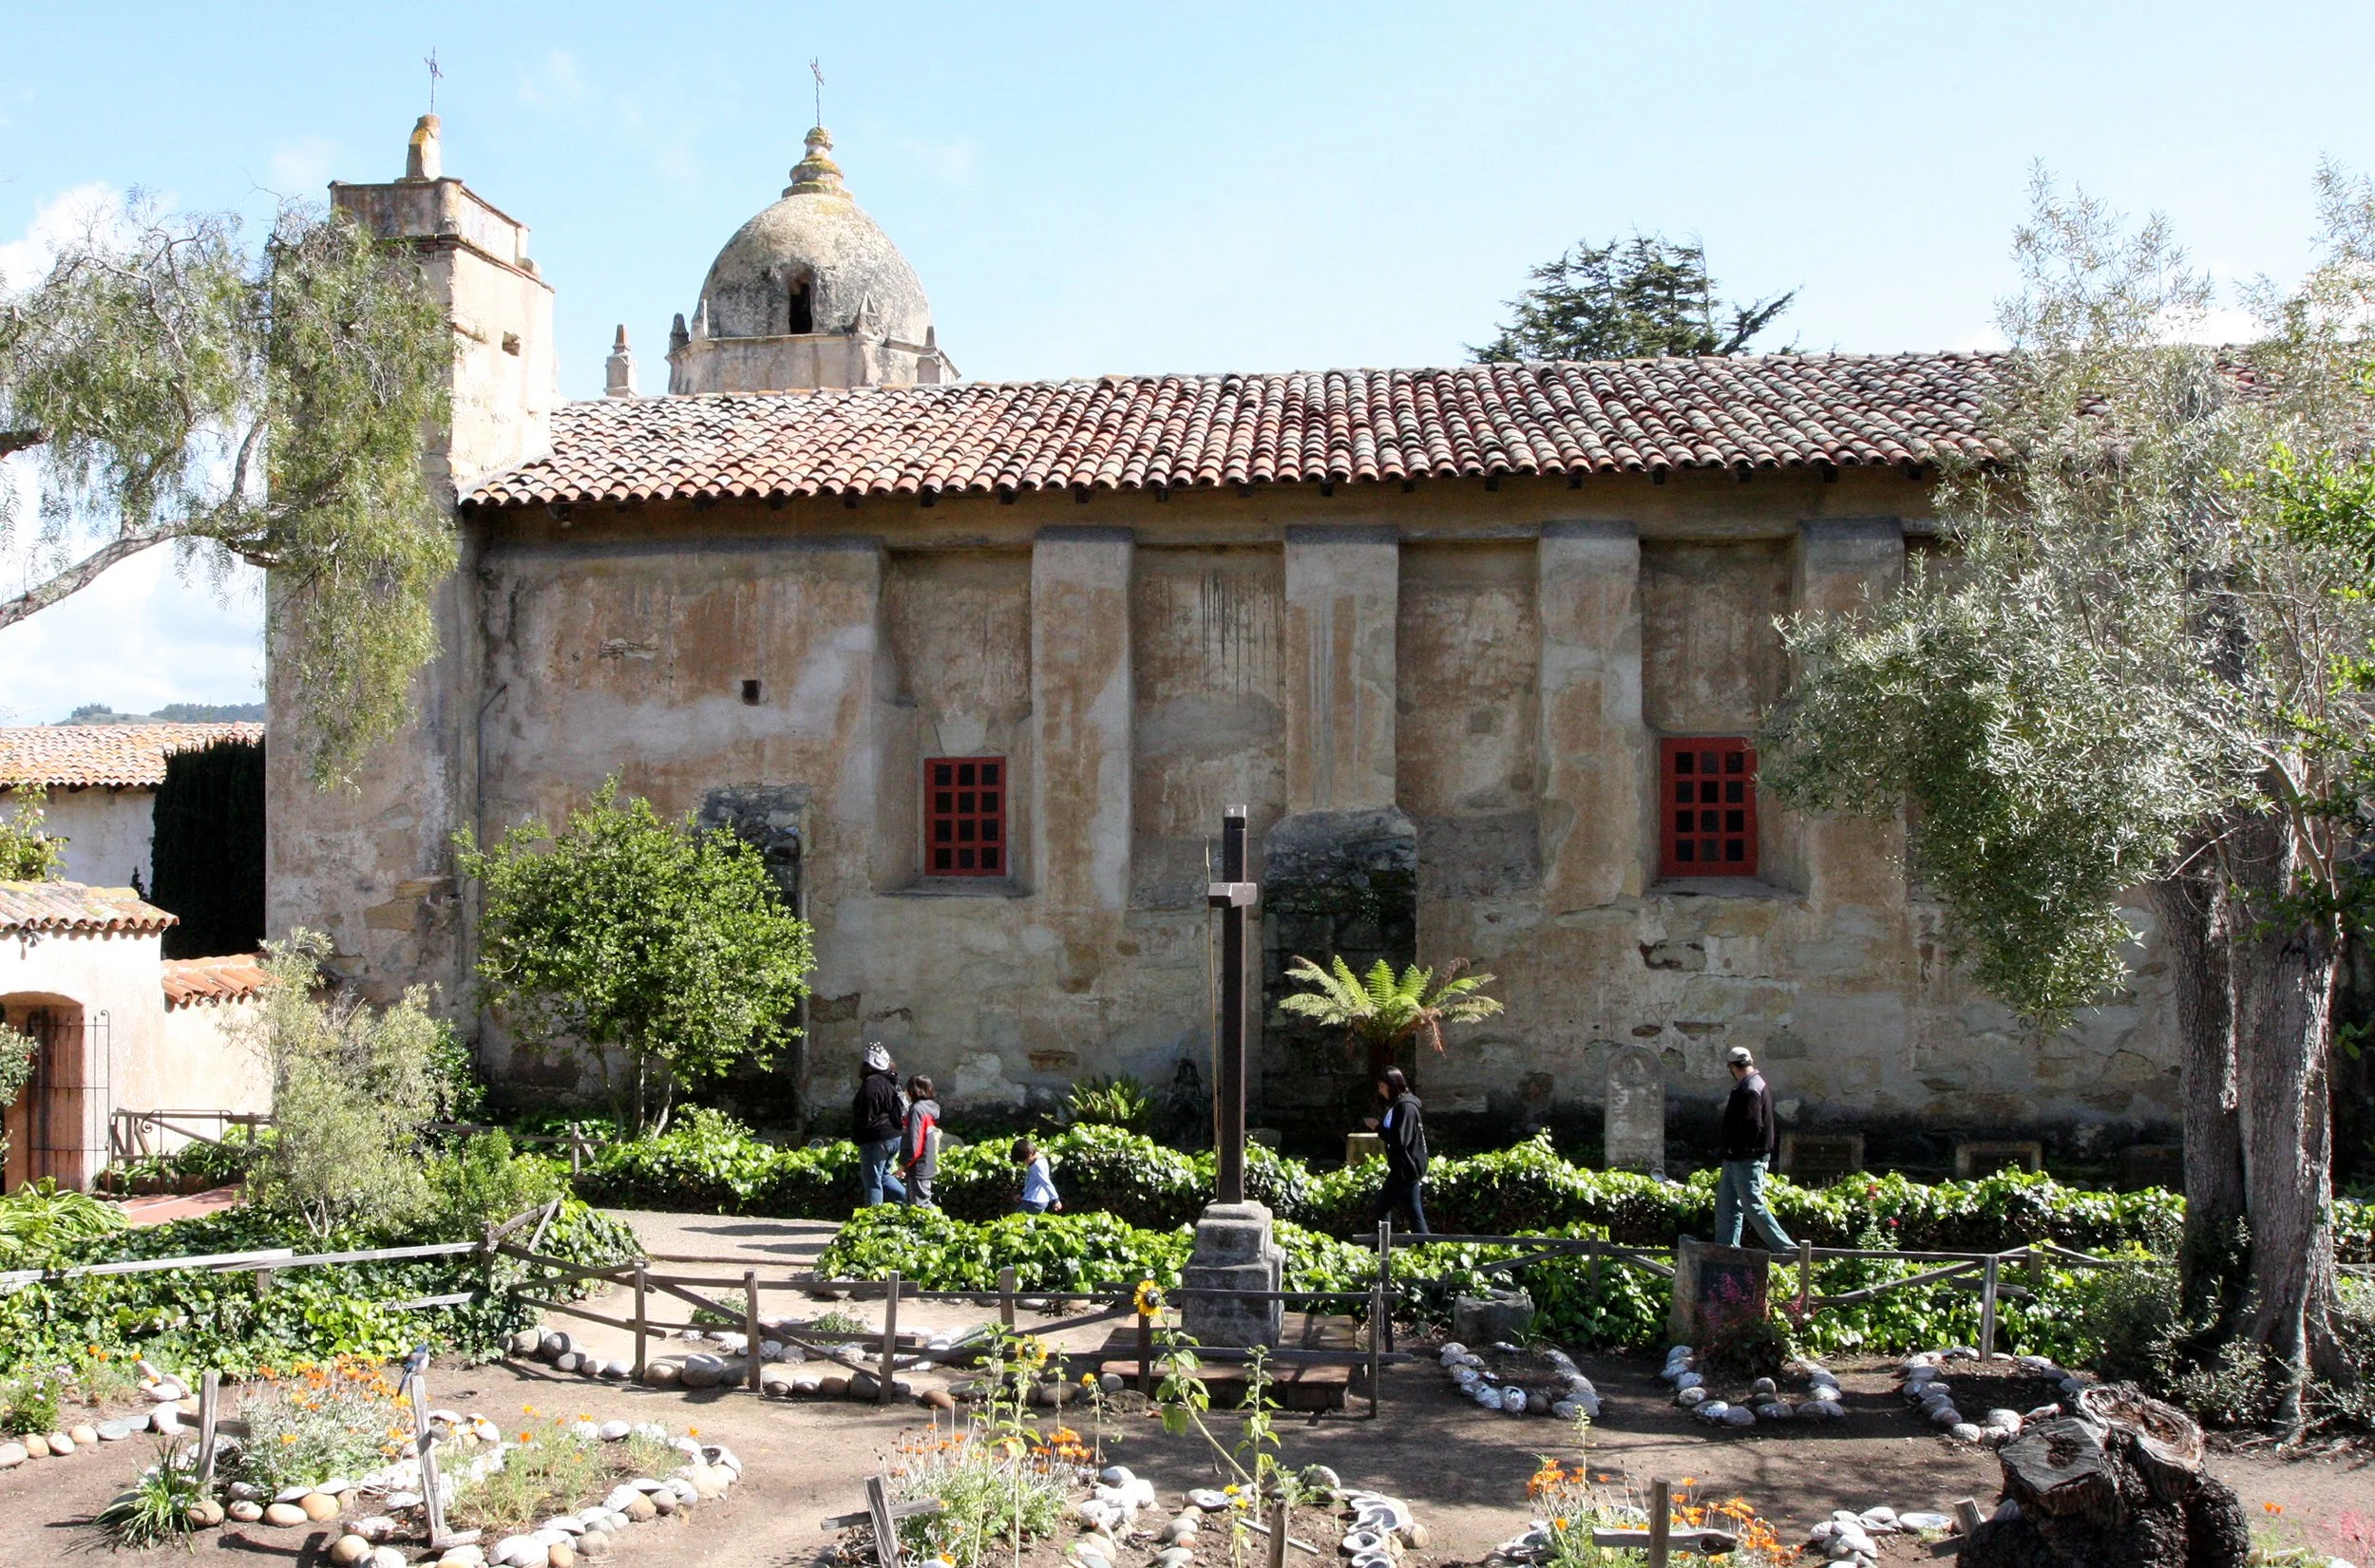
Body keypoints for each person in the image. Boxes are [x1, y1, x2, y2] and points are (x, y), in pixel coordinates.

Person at [1714, 1045, 1793, 1252]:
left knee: (1752, 1206)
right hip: (1738, 1158)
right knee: (1727, 1206)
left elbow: (1752, 1126)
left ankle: (1788, 1249)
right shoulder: (1755, 1084)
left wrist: (1734, 1149)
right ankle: (1726, 1250)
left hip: (1745, 1158)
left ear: (1732, 1067)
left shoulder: (1748, 1089)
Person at [1365, 1067, 1430, 1235]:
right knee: (1413, 1212)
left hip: (1406, 1167)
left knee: (1382, 1206)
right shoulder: (1399, 1105)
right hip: (1405, 1166)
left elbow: (1401, 1139)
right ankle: (1426, 1247)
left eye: (1382, 1087)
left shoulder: (1406, 1107)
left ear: (1392, 1085)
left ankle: (1381, 1248)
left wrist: (1378, 1128)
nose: (1380, 1091)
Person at [852, 1044, 907, 1206]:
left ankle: (872, 1220)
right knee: (884, 1176)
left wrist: (858, 1136)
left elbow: (865, 1113)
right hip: (894, 1135)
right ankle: (911, 1202)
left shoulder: (872, 1083)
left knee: (872, 1181)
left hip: (876, 1138)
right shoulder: (892, 1081)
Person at [901, 1074, 941, 1207]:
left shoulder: (917, 1110)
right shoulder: (928, 1108)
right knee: (914, 1204)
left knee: (921, 1205)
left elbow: (915, 1145)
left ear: (914, 1090)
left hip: (918, 1166)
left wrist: (904, 1164)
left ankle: (940, 1224)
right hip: (926, 1163)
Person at [1014, 1138, 1062, 1214]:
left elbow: (1045, 1182)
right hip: (1037, 1200)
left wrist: (1055, 1200)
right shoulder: (1040, 1159)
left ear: (1029, 1155)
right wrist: (1022, 1194)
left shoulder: (1036, 1165)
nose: (1023, 1163)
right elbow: (1032, 1183)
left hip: (1033, 1201)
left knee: (1016, 1221)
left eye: (1023, 1160)